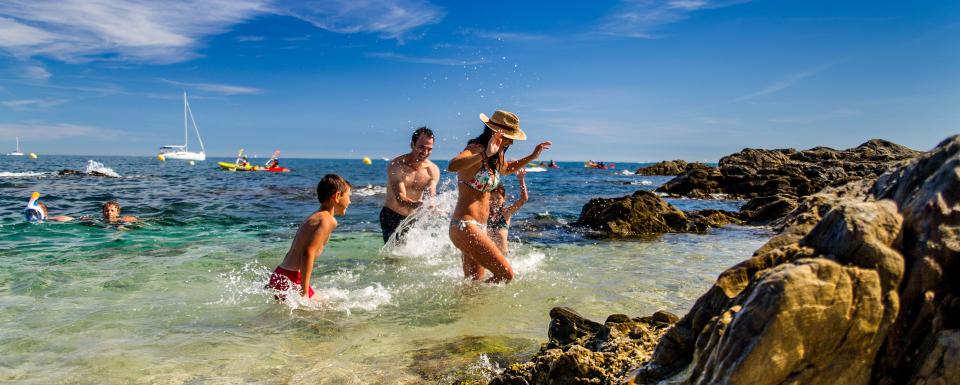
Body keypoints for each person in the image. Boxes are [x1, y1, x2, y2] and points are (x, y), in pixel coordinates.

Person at [448, 110, 550, 282]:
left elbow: (506, 168)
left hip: (479, 228)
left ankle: (462, 308)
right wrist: (484, 154)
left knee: (474, 286)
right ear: (496, 132)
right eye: (509, 136)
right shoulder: (476, 149)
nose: (511, 141)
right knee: (506, 274)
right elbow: (453, 165)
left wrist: (532, 156)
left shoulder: (496, 154)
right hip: (465, 225)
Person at [267, 174, 352, 301]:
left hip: (282, 274)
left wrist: (279, 277)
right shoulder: (328, 220)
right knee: (321, 313)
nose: (350, 201)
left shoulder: (316, 215)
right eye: (349, 196)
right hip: (291, 278)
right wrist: (304, 293)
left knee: (321, 305)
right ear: (337, 196)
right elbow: (308, 253)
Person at [381, 127, 440, 244]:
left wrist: (432, 205)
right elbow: (400, 199)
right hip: (392, 216)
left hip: (413, 218)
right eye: (421, 147)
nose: (425, 152)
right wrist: (417, 205)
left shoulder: (432, 170)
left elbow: (430, 196)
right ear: (412, 144)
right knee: (393, 256)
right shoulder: (397, 165)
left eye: (429, 149)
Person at [488, 168, 528, 255]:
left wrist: (521, 179)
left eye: (498, 198)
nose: (495, 201)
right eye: (491, 199)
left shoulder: (506, 213)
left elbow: (523, 199)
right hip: (488, 256)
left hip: (503, 256)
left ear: (504, 199)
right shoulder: (484, 214)